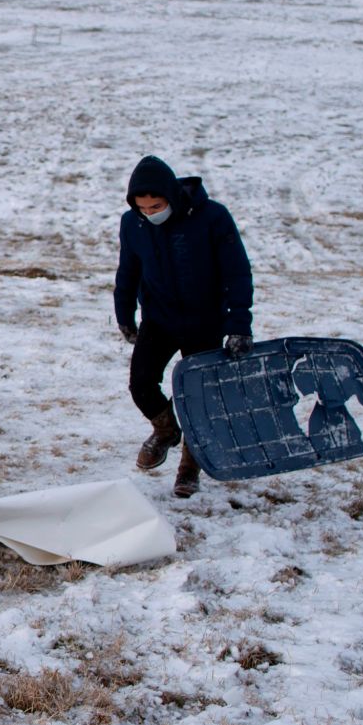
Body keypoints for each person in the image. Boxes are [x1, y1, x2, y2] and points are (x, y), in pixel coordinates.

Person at [114, 154, 255, 499]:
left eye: (156, 206)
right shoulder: (133, 224)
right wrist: (124, 314)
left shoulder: (212, 218)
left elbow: (237, 272)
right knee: (141, 384)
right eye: (142, 208)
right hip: (159, 319)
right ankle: (165, 431)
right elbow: (128, 270)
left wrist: (239, 324)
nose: (150, 213)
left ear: (171, 197)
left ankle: (189, 468)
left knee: (197, 398)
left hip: (204, 321)